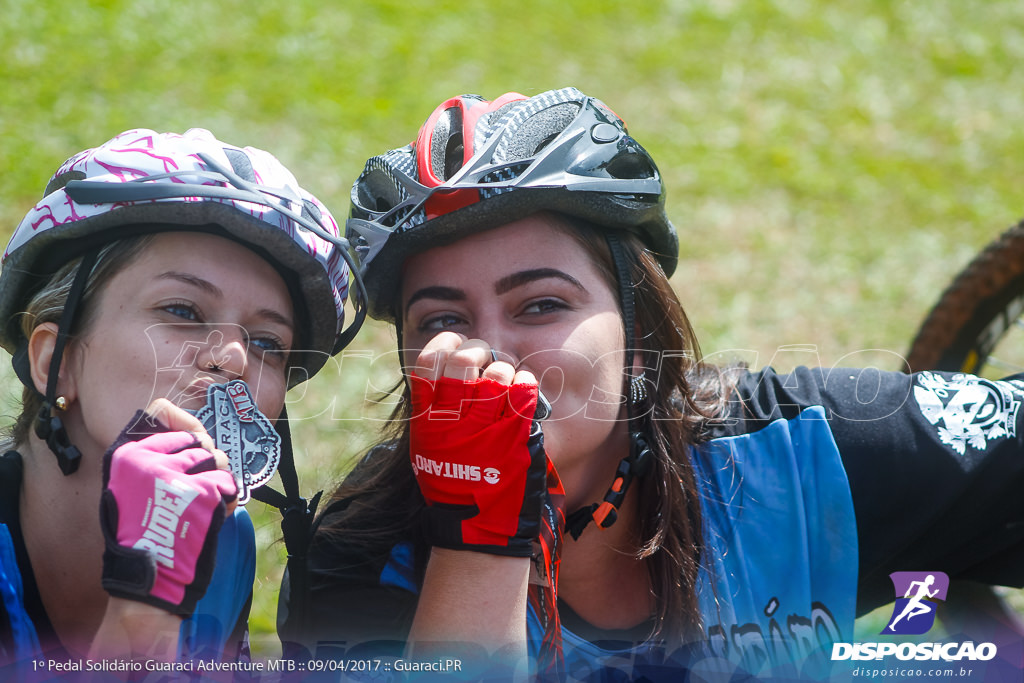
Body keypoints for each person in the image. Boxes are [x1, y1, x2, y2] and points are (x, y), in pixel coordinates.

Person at [280, 87, 1024, 681]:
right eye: (444, 318)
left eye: (541, 305)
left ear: (639, 340)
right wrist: (476, 535)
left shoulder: (800, 453)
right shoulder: (357, 556)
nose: (493, 351)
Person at [0, 128, 361, 676]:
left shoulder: (225, 540)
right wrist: (143, 605)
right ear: (56, 360)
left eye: (267, 343)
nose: (234, 358)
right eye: (183, 311)